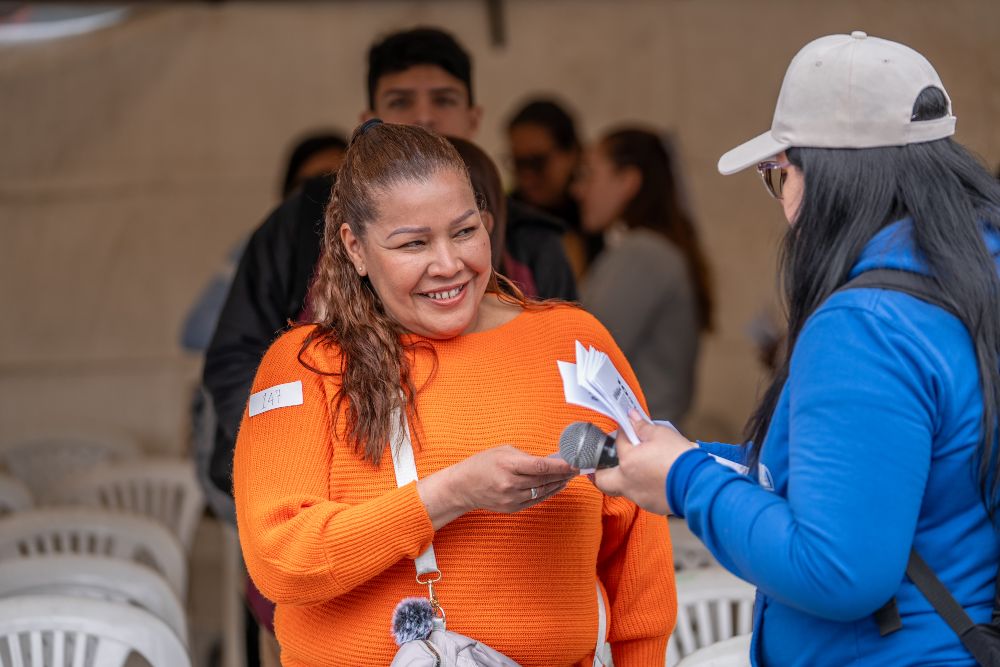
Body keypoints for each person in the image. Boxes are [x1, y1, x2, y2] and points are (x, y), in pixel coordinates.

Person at [594, 32, 1000, 666]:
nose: (783, 201)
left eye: (778, 174)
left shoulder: (865, 325)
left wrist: (684, 482)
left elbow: (838, 571)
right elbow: (878, 474)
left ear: (829, 176)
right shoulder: (975, 274)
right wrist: (695, 458)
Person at [233, 120, 674, 667]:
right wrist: (449, 496)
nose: (449, 265)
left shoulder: (574, 343)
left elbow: (639, 553)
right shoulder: (303, 366)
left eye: (465, 232)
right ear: (355, 248)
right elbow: (282, 559)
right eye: (413, 243)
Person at [204, 26, 577, 505]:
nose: (424, 117)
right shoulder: (301, 222)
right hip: (340, 504)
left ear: (474, 116)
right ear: (353, 246)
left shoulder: (533, 238)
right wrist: (293, 457)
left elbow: (563, 379)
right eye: (401, 102)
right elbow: (235, 354)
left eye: (443, 100)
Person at [573, 128, 713, 427]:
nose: (578, 190)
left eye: (589, 175)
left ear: (627, 182)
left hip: (641, 443)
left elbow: (584, 351)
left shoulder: (643, 253)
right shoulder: (646, 250)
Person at [506, 98, 597, 277]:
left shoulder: (593, 215)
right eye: (518, 163)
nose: (527, 175)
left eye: (537, 162)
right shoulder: (505, 216)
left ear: (572, 154)